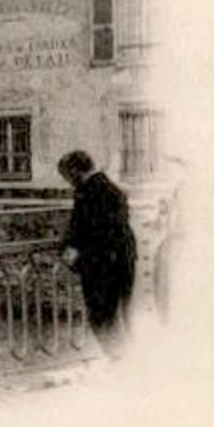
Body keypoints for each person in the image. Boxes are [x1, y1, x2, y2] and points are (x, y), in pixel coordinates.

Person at [57, 150, 137, 355]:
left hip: (102, 265)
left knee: (101, 316)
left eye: (67, 176)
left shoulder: (90, 192)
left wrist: (74, 251)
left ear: (75, 171)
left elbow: (91, 231)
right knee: (120, 315)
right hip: (121, 260)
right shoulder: (110, 189)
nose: (68, 182)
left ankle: (119, 361)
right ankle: (125, 360)